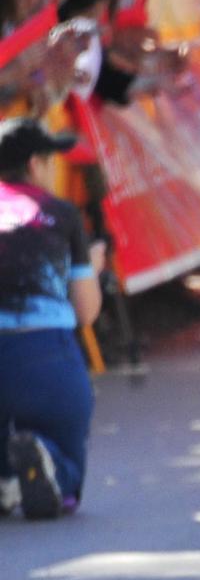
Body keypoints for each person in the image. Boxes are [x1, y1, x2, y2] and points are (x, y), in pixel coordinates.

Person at [0, 117, 100, 521]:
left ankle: (6, 478)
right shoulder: (60, 213)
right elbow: (86, 310)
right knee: (68, 462)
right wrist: (91, 265)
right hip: (43, 352)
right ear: (36, 164)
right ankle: (53, 465)